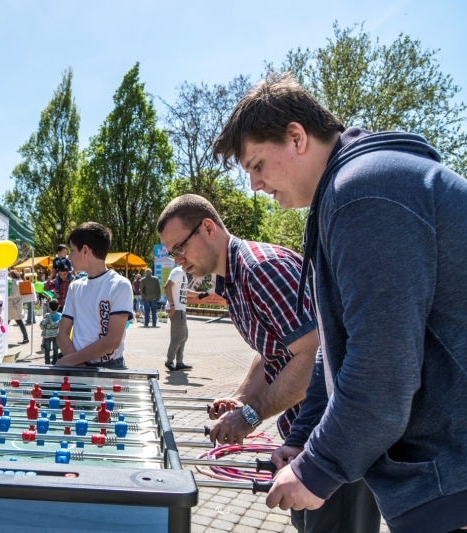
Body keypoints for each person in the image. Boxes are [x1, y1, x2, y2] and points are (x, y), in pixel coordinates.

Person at [213, 72, 467, 533]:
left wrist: (319, 468)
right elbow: (337, 355)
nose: (254, 185)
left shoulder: (364, 192)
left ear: (296, 137)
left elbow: (383, 363)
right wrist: (305, 438)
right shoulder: (349, 192)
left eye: (256, 165)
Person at [158, 193, 380, 532]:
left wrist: (250, 415)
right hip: (305, 442)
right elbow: (275, 350)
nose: (178, 259)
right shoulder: (233, 280)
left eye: (180, 248)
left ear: (207, 228)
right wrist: (241, 398)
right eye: (172, 252)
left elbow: (314, 358)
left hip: (336, 443)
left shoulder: (260, 269)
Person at [57, 222, 133, 369]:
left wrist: (73, 361)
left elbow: (113, 340)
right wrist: (81, 366)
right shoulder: (75, 287)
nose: (69, 257)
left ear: (85, 250)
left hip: (110, 367)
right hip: (77, 365)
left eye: (72, 250)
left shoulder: (119, 285)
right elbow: (62, 334)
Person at [163, 265, 199, 371]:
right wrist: (172, 305)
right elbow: (167, 286)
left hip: (180, 308)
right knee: (178, 337)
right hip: (176, 308)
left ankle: (179, 362)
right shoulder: (177, 272)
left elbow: (183, 290)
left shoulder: (183, 274)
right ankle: (169, 361)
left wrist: (198, 294)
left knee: (184, 336)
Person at [7, 270, 30, 345]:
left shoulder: (15, 283)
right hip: (16, 304)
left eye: (9, 274)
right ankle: (26, 337)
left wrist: (5, 296)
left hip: (13, 304)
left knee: (7, 322)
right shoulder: (20, 281)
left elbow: (14, 294)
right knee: (18, 322)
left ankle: (26, 338)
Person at [39, 299, 61, 364]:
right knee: (55, 349)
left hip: (47, 335)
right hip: (56, 335)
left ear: (49, 307)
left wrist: (45, 329)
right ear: (58, 306)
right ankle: (55, 361)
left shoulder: (47, 315)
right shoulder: (60, 315)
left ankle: (47, 362)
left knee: (47, 349)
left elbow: (41, 325)